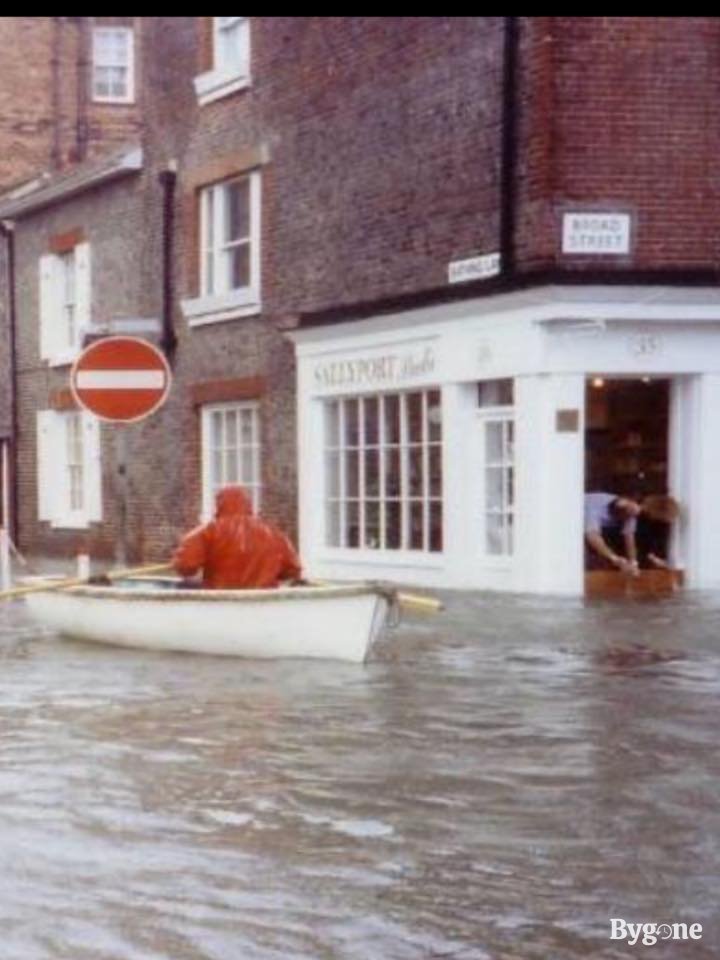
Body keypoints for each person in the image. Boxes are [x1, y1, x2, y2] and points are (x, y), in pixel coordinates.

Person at [172, 485, 302, 589]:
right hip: (263, 604)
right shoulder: (274, 533)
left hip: (220, 602)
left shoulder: (207, 532)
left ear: (218, 504)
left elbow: (185, 566)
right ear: (249, 504)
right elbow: (292, 570)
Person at [584, 492, 679, 574]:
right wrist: (615, 559)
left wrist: (633, 562)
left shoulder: (630, 509)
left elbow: (629, 537)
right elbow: (593, 537)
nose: (630, 520)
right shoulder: (593, 507)